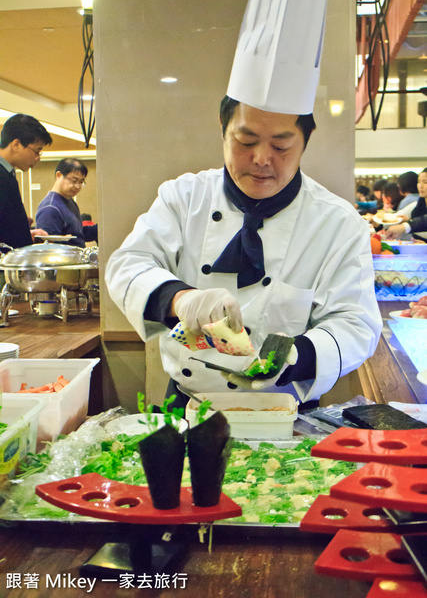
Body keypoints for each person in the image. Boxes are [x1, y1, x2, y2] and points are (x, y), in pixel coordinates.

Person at [106, 97, 382, 407]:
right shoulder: (184, 197)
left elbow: (356, 323)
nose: (262, 159)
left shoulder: (338, 222)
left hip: (287, 415)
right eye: (246, 141)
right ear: (223, 130)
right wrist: (180, 299)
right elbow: (127, 265)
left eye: (281, 147)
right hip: (188, 406)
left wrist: (295, 356)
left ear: (305, 142)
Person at [0, 113, 52, 249]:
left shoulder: (7, 173)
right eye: (37, 151)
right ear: (16, 144)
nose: (38, 158)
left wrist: (24, 232)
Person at [36, 158, 98, 248]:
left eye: (81, 182)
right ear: (58, 175)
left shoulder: (69, 201)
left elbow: (78, 235)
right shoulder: (50, 207)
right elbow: (50, 247)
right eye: (73, 181)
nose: (77, 186)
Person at [385, 168, 427, 240]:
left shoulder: (410, 200)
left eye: (425, 182)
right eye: (419, 182)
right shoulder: (421, 202)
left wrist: (406, 226)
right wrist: (409, 221)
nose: (421, 186)